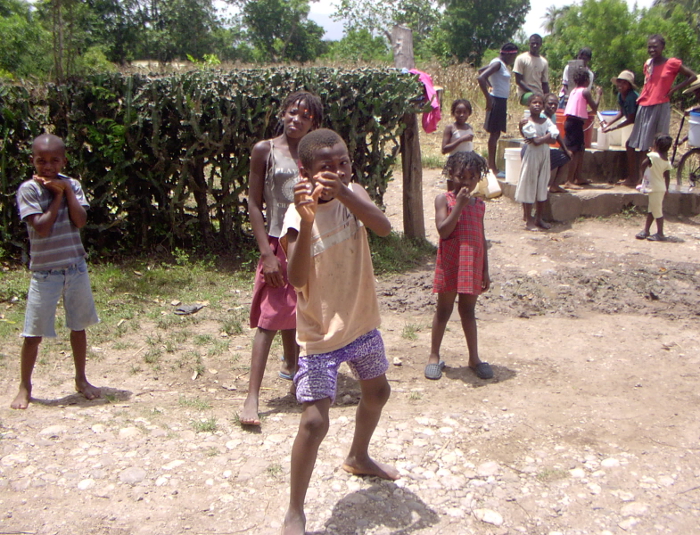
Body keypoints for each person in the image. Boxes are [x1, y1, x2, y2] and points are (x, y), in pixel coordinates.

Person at [280, 128, 397, 535]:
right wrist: (309, 221)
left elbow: (383, 228)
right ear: (305, 172)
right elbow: (295, 280)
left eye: (343, 163)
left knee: (378, 392)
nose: (337, 171)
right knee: (314, 422)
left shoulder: (355, 194)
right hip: (319, 334)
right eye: (326, 167)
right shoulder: (297, 214)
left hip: (360, 320)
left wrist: (347, 193)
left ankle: (358, 456)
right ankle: (295, 510)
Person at [241, 91, 323, 426]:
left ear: (313, 122)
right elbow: (254, 203)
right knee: (269, 319)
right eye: (292, 113)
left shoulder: (316, 154)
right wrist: (266, 252)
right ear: (282, 113)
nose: (297, 120)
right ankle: (252, 397)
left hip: (308, 242)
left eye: (305, 116)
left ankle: (294, 371)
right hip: (277, 243)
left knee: (300, 310)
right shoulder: (266, 150)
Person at [12, 134, 101, 410]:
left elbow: (80, 220)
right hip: (45, 273)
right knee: (33, 333)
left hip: (75, 267)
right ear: (32, 161)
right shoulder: (29, 190)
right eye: (41, 161)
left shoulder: (72, 184)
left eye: (54, 160)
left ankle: (81, 379)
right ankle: (25, 387)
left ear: (64, 160)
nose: (47, 166)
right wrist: (56, 196)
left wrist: (66, 191)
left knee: (78, 326)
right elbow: (41, 227)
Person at [424, 151, 493, 382]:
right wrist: (459, 206)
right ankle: (434, 356)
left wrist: (485, 269)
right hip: (451, 262)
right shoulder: (444, 200)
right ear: (450, 175)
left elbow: (481, 237)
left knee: (468, 311)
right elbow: (443, 230)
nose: (466, 182)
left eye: (472, 177)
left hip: (471, 263)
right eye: (461, 176)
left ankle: (474, 358)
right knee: (444, 310)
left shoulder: (480, 205)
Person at [627, 34, 697, 186]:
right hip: (645, 105)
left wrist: (674, 89)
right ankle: (642, 179)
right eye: (649, 47)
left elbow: (692, 76)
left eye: (655, 47)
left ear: (663, 47)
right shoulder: (648, 64)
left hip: (661, 105)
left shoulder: (671, 63)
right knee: (643, 145)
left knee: (660, 144)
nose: (652, 50)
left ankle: (660, 180)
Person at [515, 94, 560, 230]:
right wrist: (546, 137)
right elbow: (535, 140)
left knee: (542, 186)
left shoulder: (546, 120)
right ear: (529, 105)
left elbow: (554, 136)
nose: (537, 105)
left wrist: (543, 139)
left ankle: (539, 219)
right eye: (534, 102)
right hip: (532, 155)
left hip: (544, 155)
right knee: (530, 185)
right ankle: (529, 220)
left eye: (540, 103)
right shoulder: (526, 122)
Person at [478, 43, 519, 175]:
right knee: (494, 134)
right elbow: (481, 77)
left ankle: (492, 165)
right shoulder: (498, 64)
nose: (513, 59)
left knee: (496, 133)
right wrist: (489, 98)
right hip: (496, 100)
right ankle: (492, 167)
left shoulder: (499, 64)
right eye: (513, 56)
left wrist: (490, 86)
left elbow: (481, 71)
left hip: (500, 100)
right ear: (508, 54)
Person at [519, 93, 573, 193]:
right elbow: (543, 139)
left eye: (556, 104)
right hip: (531, 151)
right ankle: (549, 186)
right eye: (550, 104)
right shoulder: (541, 116)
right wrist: (547, 137)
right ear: (544, 105)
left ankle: (554, 185)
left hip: (541, 149)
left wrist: (565, 149)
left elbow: (555, 137)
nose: (553, 106)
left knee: (566, 156)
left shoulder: (552, 117)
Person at [563, 69, 602, 189]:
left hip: (571, 122)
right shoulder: (585, 91)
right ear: (586, 81)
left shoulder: (574, 91)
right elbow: (594, 107)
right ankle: (569, 180)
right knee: (574, 152)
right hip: (575, 124)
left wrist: (587, 113)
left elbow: (580, 109)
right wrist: (598, 95)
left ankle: (578, 177)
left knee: (580, 150)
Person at [601, 70, 640, 187]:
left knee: (630, 145)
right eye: (619, 82)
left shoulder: (632, 97)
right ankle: (633, 177)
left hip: (641, 122)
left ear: (629, 86)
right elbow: (622, 112)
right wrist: (609, 123)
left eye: (624, 83)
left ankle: (634, 177)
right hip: (635, 122)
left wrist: (613, 128)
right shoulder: (620, 95)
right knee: (630, 145)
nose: (620, 85)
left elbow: (631, 119)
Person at [636, 134, 673, 241]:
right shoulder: (666, 160)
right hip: (660, 188)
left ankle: (660, 233)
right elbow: (667, 176)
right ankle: (646, 230)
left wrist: (641, 178)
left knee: (657, 212)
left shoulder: (652, 156)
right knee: (652, 210)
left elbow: (643, 164)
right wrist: (667, 189)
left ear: (656, 144)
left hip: (653, 188)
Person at [513, 34, 550, 106]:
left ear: (540, 45)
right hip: (525, 94)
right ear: (529, 43)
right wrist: (533, 92)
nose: (535, 45)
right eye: (533, 43)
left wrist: (547, 97)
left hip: (539, 93)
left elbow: (545, 83)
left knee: (551, 102)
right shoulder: (521, 58)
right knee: (535, 100)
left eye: (537, 43)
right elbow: (519, 81)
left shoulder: (544, 62)